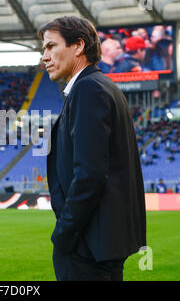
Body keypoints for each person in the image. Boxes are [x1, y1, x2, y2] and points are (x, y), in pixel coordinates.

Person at [39, 16, 146, 281]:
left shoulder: (88, 90)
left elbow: (89, 173)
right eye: (44, 49)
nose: (45, 56)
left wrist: (64, 234)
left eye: (51, 46)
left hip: (87, 246)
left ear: (78, 46)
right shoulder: (103, 86)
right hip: (102, 243)